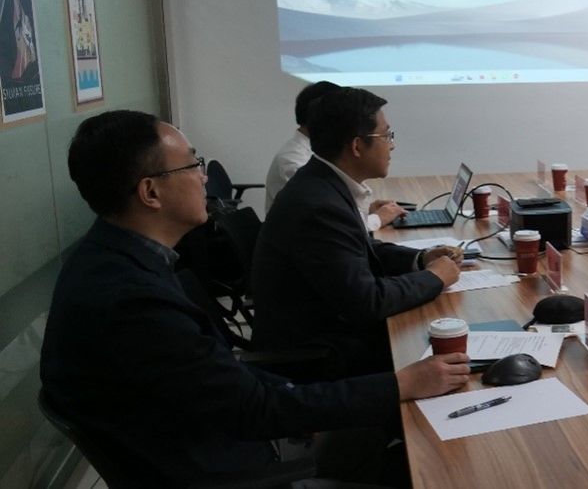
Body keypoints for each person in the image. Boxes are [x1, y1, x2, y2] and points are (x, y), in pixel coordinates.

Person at [40, 110, 470, 486]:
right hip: (235, 469)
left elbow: (221, 380)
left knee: (399, 433)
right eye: (192, 165)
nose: (204, 178)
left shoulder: (116, 261)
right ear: (150, 193)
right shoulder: (129, 302)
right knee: (443, 465)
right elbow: (252, 409)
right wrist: (401, 383)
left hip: (221, 440)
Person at [253, 87, 461, 378]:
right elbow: (368, 302)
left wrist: (421, 259)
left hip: (334, 332)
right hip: (323, 358)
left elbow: (359, 248)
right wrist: (435, 277)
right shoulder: (319, 205)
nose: (392, 146)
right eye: (386, 136)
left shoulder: (323, 183)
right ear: (357, 146)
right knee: (451, 352)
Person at [264, 80, 406, 231]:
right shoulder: (293, 162)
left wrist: (364, 211)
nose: (392, 146)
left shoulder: (319, 158)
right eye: (385, 136)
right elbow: (330, 219)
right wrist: (378, 218)